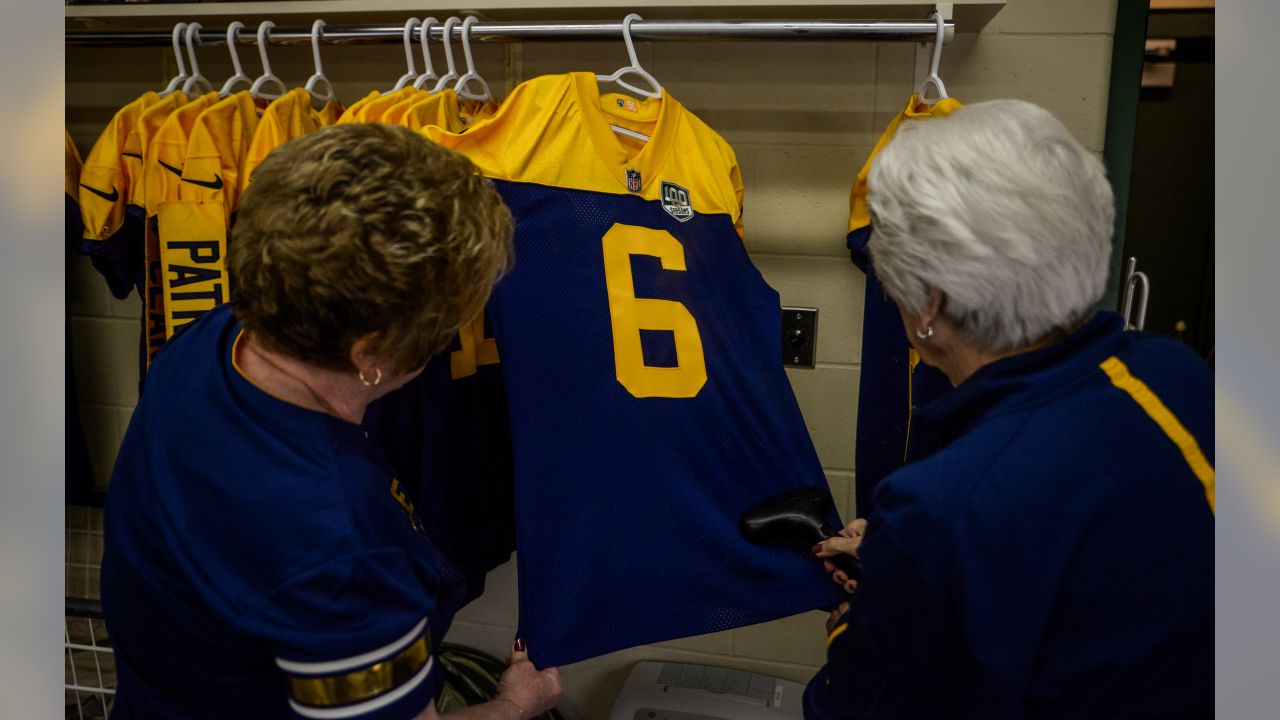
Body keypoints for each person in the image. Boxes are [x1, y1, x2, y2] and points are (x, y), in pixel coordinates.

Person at [100, 123, 562, 720]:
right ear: (369, 354)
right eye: (453, 326)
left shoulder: (208, 341)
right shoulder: (341, 542)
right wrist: (514, 705)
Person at [804, 100, 1213, 719]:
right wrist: (918, 561)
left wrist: (860, 615)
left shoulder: (941, 509)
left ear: (929, 306)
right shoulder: (1175, 373)